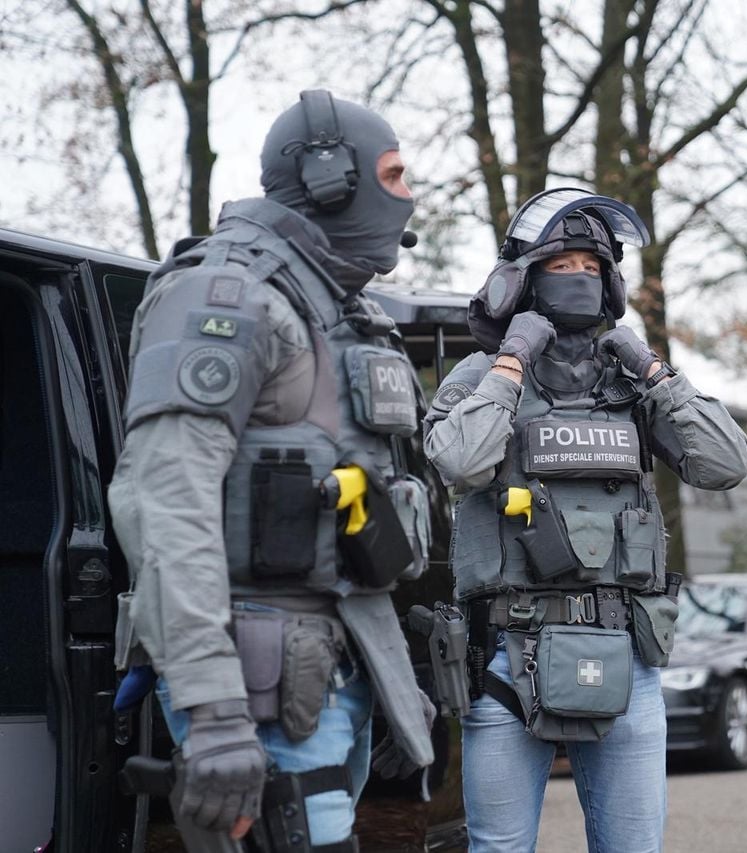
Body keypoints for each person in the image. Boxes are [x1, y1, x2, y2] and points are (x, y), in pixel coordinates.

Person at [108, 90, 435, 852]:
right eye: (393, 174)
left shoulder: (336, 312)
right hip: (255, 686)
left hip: (331, 670)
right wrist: (215, 709)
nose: (408, 195)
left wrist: (392, 683)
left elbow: (353, 517)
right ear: (331, 180)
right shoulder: (224, 295)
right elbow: (165, 503)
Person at [423, 189, 747, 852]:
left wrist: (657, 372)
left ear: (611, 285)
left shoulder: (631, 386)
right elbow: (457, 462)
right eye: (562, 262)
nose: (578, 276)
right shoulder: (482, 376)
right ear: (521, 279)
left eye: (591, 266)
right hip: (506, 665)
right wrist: (511, 363)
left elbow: (727, 462)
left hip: (627, 661)